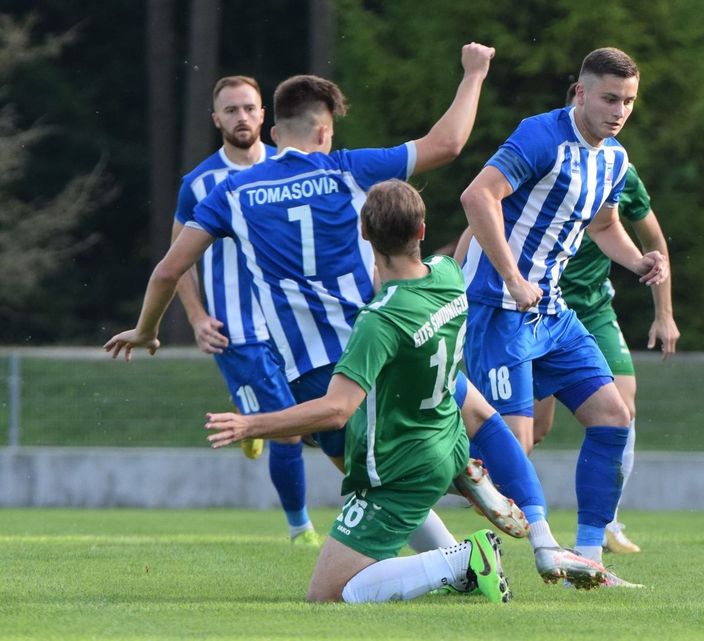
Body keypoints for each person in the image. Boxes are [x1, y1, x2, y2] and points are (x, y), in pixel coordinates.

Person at [106, 56, 612, 588]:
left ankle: (457, 559)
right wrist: (472, 75)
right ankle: (538, 539)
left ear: (275, 132)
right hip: (392, 337)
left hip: (319, 366)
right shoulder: (347, 167)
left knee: (373, 482)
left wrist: (146, 329)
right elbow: (447, 144)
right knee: (479, 415)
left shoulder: (230, 192)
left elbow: (169, 269)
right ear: (325, 130)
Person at [200, 180, 510, 604]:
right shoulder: (449, 275)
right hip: (446, 439)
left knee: (326, 595)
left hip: (402, 466)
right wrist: (497, 189)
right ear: (421, 230)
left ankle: (462, 562)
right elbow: (478, 224)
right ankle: (461, 515)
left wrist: (250, 424)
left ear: (363, 234)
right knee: (395, 526)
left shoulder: (380, 321)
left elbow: (336, 410)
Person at [459, 47, 668, 566]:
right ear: (580, 93)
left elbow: (602, 226)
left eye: (629, 102)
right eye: (609, 98)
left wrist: (638, 262)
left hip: (551, 311)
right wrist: (511, 275)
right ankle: (406, 478)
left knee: (613, 418)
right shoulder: (540, 134)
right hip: (496, 305)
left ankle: (591, 559)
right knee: (517, 446)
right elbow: (477, 197)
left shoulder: (615, 160)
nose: (619, 111)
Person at [170, 75, 322, 545]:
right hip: (238, 332)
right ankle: (301, 530)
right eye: (231, 110)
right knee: (289, 433)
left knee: (319, 423)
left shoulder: (291, 166)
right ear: (216, 119)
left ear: (265, 116)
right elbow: (175, 262)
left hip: (295, 325)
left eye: (249, 108)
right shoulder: (198, 184)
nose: (241, 117)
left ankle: (250, 412)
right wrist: (197, 318)